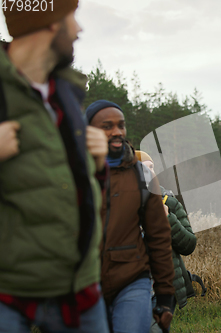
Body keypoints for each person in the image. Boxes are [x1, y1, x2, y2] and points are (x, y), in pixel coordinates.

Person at [0, 1, 110, 332]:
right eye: (72, 17)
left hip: (80, 289)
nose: (79, 29)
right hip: (9, 293)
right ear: (49, 21)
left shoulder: (66, 91)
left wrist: (99, 163)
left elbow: (79, 188)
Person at [85, 101, 175, 333]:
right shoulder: (72, 172)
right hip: (85, 281)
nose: (117, 131)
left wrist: (165, 294)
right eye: (107, 126)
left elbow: (159, 236)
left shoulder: (142, 174)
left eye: (121, 125)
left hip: (132, 278)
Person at [135, 151, 197, 333]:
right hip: (132, 285)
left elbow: (189, 245)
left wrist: (167, 217)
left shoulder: (169, 201)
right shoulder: (122, 201)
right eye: (142, 167)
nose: (149, 171)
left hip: (163, 288)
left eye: (152, 167)